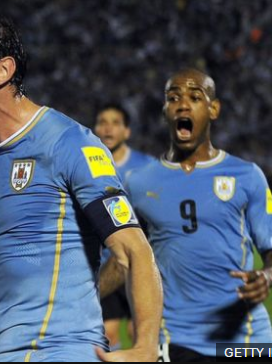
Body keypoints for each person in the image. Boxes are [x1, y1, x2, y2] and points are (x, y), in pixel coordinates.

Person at [0, 13, 162, 362]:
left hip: (59, 352)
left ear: (2, 70)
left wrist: (146, 345)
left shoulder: (68, 143)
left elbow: (133, 249)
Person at [125, 68, 272, 361]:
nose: (183, 104)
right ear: (165, 110)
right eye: (173, 98)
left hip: (246, 338)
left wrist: (267, 275)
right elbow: (124, 259)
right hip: (175, 340)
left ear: (213, 109)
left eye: (195, 97)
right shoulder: (139, 183)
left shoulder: (247, 176)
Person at [93, 103, 155, 350]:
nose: (108, 128)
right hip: (106, 266)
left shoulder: (147, 167)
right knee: (107, 334)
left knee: (140, 331)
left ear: (127, 131)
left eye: (115, 122)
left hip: (139, 264)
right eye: (102, 122)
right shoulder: (86, 165)